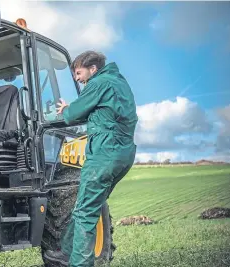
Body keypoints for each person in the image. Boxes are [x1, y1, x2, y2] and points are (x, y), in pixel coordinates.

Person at [43, 51, 138, 267]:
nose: (77, 78)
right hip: (123, 154)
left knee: (85, 212)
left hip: (104, 153)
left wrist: (66, 109)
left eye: (78, 72)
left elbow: (72, 114)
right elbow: (98, 112)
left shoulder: (98, 83)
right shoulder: (118, 83)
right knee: (87, 207)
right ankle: (63, 252)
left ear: (92, 69)